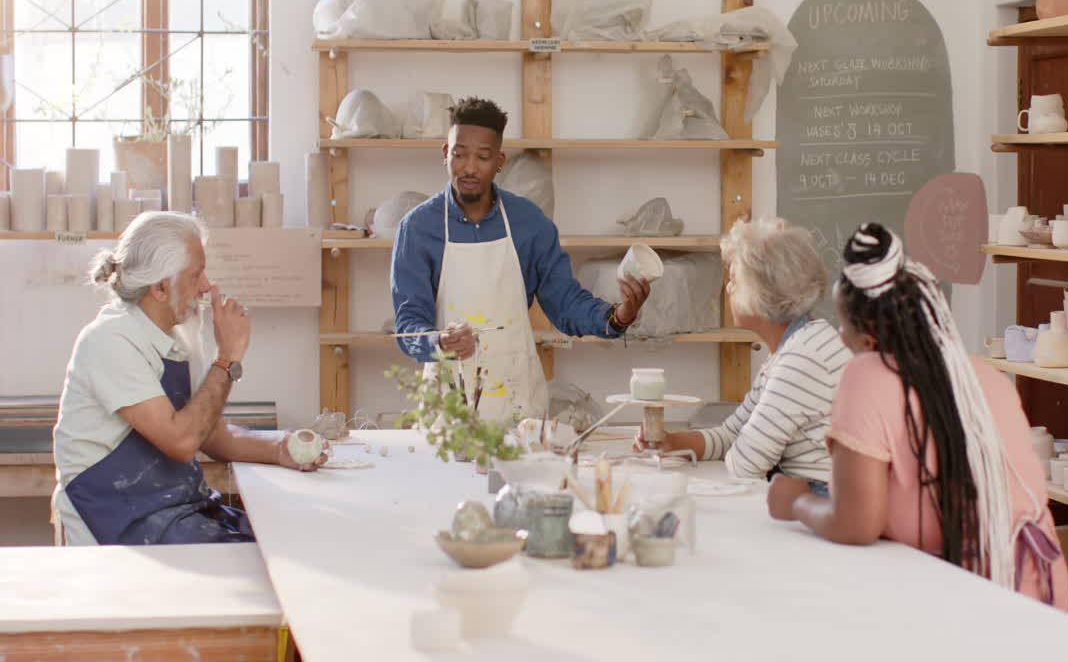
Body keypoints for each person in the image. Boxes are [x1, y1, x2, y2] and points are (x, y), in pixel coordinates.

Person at [765, 223, 1068, 610]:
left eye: (844, 325)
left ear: (869, 340)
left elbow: (855, 525)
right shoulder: (984, 376)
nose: (840, 337)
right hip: (1038, 592)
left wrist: (797, 503)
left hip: (972, 610)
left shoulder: (868, 374)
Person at [52, 212, 328, 545]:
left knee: (288, 537)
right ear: (159, 286)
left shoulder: (176, 337)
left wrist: (279, 448)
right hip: (120, 513)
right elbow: (181, 442)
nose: (206, 286)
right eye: (196, 274)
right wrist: (226, 359)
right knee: (259, 561)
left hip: (172, 507)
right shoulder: (111, 339)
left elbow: (209, 433)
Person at [392, 97, 651, 422]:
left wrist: (619, 316)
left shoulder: (529, 223)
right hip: (448, 408)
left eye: (483, 157)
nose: (469, 167)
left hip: (517, 401)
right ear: (446, 153)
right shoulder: (417, 228)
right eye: (459, 154)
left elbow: (565, 302)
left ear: (499, 161)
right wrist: (439, 341)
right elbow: (408, 324)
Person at [633, 218, 851, 494]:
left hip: (822, 499)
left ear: (763, 292)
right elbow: (730, 434)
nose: (728, 289)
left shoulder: (802, 359)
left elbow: (745, 464)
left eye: (734, 279)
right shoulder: (793, 348)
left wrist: (741, 447)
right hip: (803, 491)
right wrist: (671, 442)